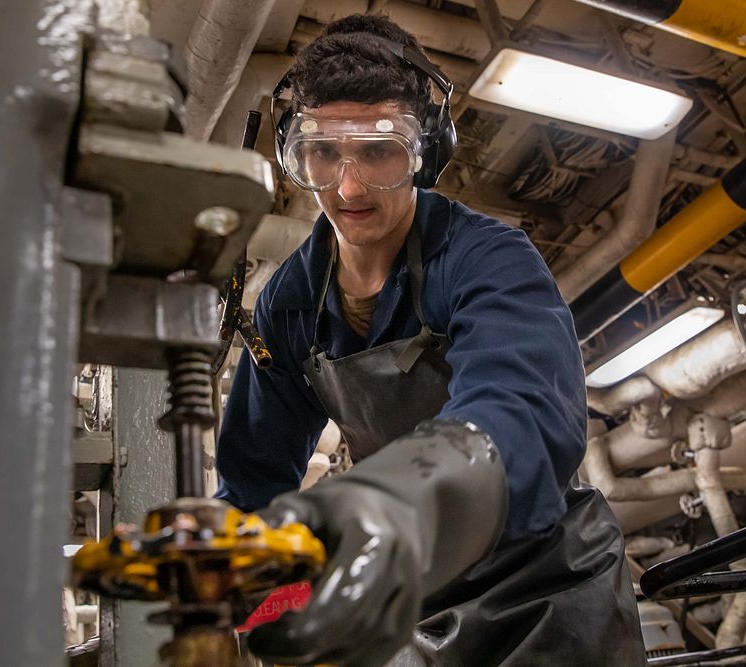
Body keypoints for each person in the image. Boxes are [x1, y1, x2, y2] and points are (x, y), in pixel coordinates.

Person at [215, 14, 646, 667]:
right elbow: (253, 486)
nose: (349, 186)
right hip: (417, 609)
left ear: (425, 153)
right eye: (324, 152)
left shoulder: (487, 260)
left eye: (379, 149)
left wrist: (391, 514)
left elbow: (521, 417)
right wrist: (243, 596)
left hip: (548, 600)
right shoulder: (290, 304)